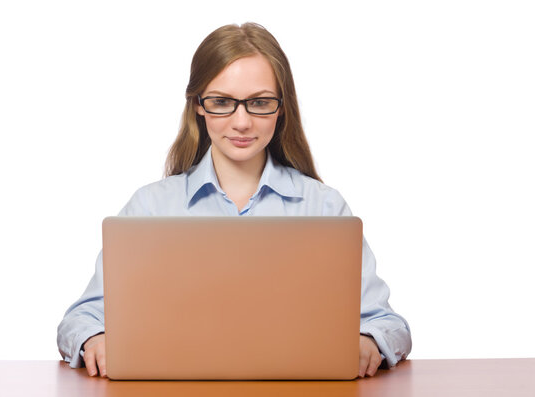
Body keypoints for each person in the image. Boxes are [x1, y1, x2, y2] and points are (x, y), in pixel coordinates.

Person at [57, 22, 411, 379]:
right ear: (198, 105)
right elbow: (81, 318)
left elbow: (386, 322)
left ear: (281, 107)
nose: (241, 122)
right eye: (223, 102)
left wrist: (369, 340)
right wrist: (94, 337)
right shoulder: (150, 208)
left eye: (259, 102)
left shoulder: (323, 208)